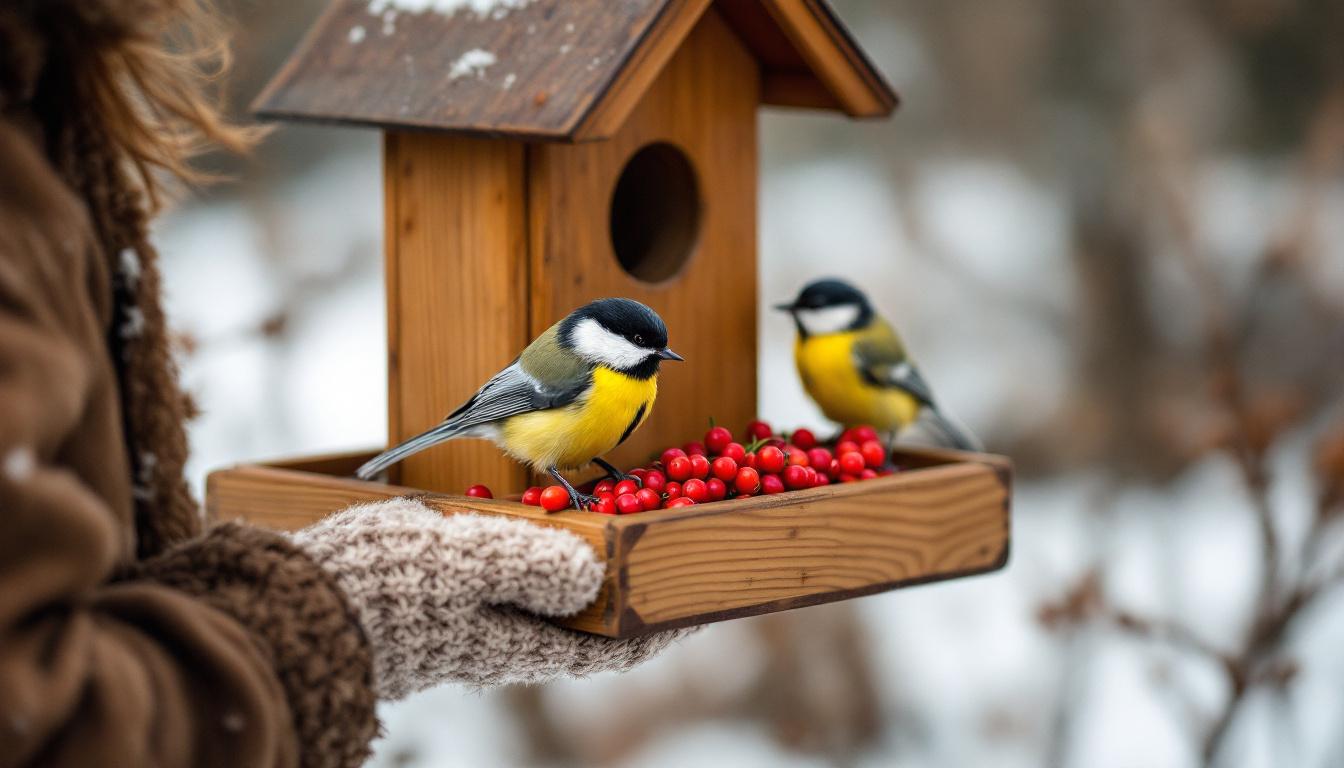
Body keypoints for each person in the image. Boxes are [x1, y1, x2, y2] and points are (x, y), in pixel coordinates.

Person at [0, 2, 683, 765]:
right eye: (640, 345)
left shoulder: (47, 105)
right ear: (599, 343)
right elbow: (42, 707)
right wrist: (334, 620)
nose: (655, 356)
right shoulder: (575, 370)